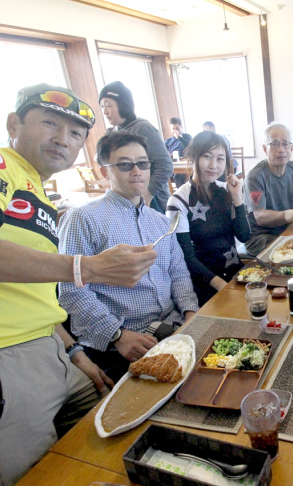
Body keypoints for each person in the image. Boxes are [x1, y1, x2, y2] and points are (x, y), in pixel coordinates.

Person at [0, 84, 158, 486]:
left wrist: (72, 352)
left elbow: (30, 290)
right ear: (13, 124)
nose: (62, 139)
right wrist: (86, 267)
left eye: (75, 133)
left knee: (100, 440)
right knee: (24, 474)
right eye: (50, 123)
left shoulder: (35, 190)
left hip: (49, 350)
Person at [58, 131, 200, 383]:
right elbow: (72, 291)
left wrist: (190, 313)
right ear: (104, 172)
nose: (137, 171)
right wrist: (117, 334)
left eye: (143, 163)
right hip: (119, 343)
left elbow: (178, 272)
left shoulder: (159, 221)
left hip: (171, 327)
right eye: (125, 164)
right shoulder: (83, 218)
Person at [166, 131, 250, 305]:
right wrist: (222, 286)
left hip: (236, 272)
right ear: (193, 156)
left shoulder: (226, 190)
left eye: (220, 159)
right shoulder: (178, 201)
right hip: (206, 282)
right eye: (207, 156)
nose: (214, 165)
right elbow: (185, 256)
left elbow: (244, 236)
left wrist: (237, 198)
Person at [243, 122, 293, 256]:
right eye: (274, 144)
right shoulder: (255, 177)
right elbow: (259, 216)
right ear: (265, 149)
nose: (281, 149)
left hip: (286, 229)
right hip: (261, 237)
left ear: (292, 147)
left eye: (285, 144)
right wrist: (292, 214)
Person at [99, 81, 172, 213]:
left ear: (122, 105)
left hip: (152, 203)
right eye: (102, 106)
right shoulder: (113, 132)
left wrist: (148, 193)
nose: (105, 111)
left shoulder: (143, 128)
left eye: (108, 106)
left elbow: (165, 166)